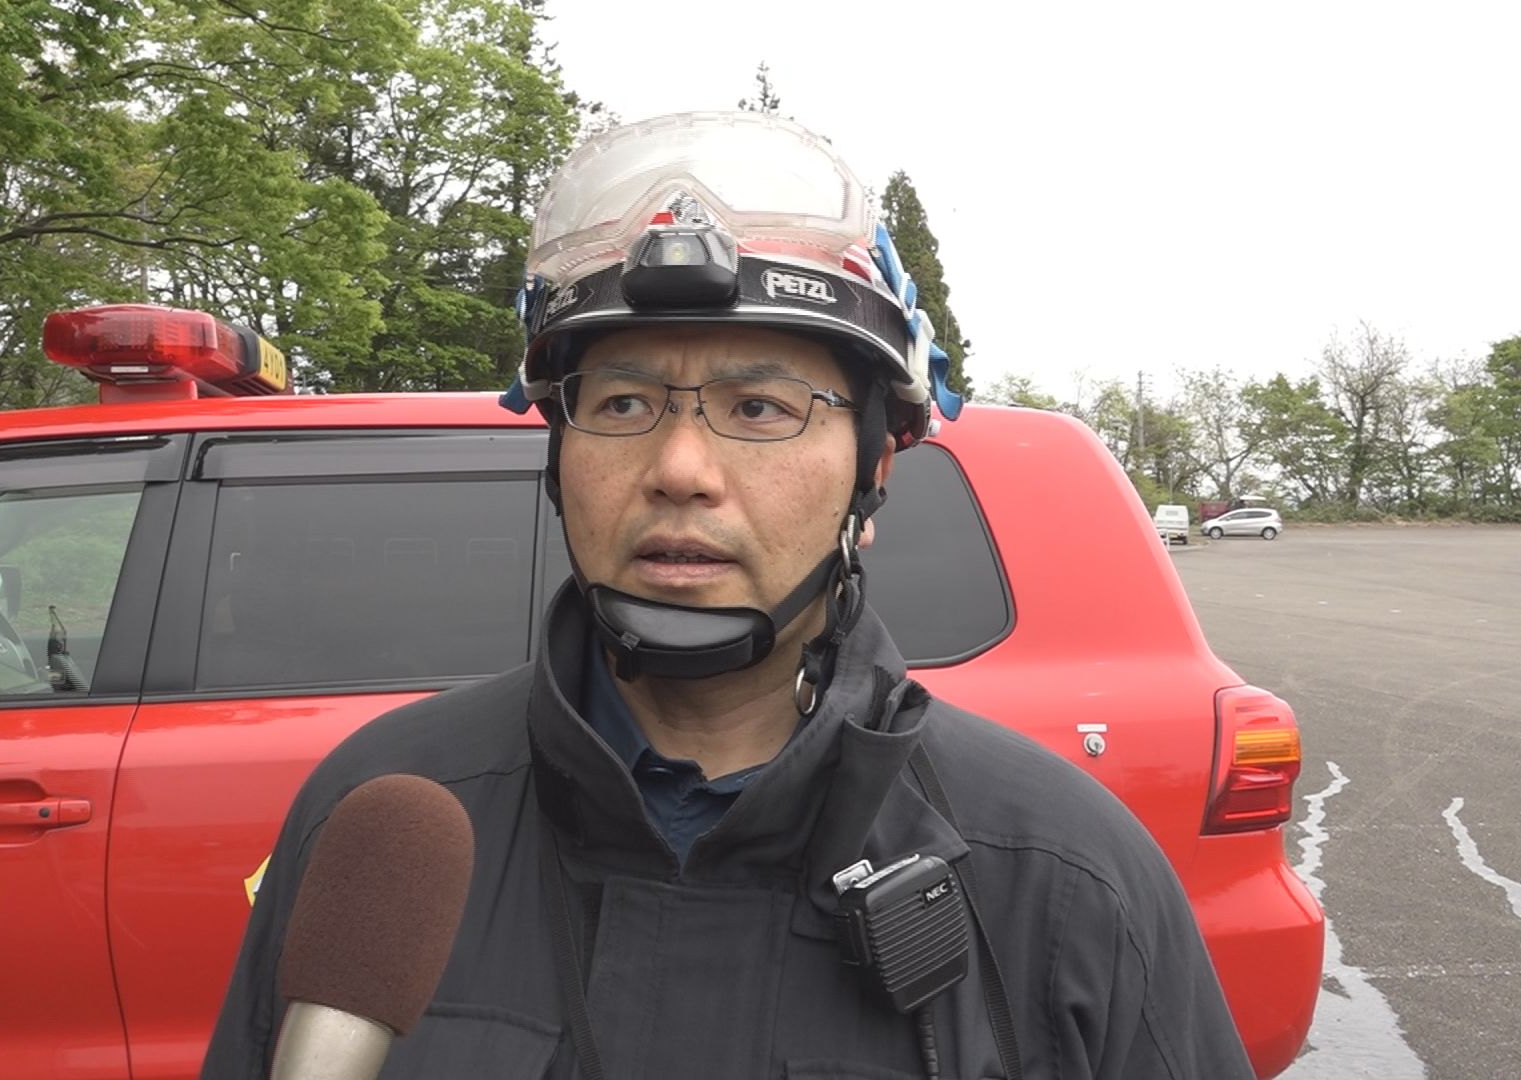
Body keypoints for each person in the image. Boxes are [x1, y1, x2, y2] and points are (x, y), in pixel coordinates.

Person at [202, 110, 1254, 1080]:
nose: (680, 469)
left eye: (760, 407)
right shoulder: (385, 816)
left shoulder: (1064, 873)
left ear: (872, 474)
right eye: (623, 402)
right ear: (559, 455)